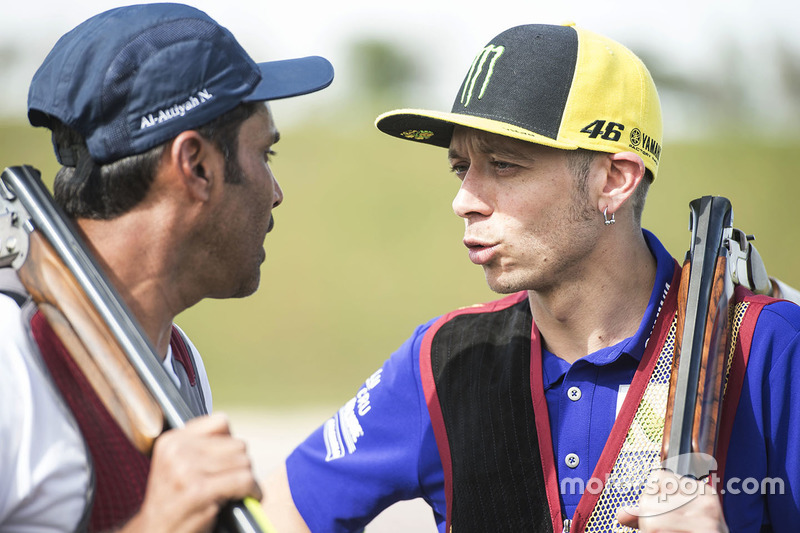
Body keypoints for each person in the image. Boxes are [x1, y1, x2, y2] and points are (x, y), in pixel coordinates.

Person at [262, 23, 800, 532]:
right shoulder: (443, 358)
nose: (463, 200)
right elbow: (283, 510)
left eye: (503, 165)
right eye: (460, 167)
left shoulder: (769, 347)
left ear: (614, 179)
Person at [0, 3, 332, 532]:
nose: (277, 193)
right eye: (265, 155)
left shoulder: (175, 357)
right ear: (196, 165)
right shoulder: (11, 362)